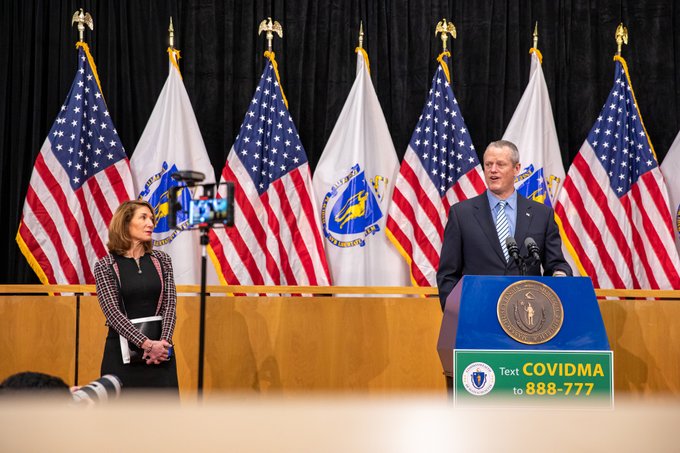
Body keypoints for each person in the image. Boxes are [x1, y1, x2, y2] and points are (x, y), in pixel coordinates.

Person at [437, 140, 572, 309]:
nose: (493, 170)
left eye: (500, 164)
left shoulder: (542, 215)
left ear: (516, 169)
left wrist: (560, 275)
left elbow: (556, 264)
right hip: (477, 313)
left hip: (527, 314)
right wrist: (455, 312)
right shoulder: (461, 214)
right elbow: (448, 274)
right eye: (488, 164)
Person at [94, 200, 178, 392]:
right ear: (125, 223)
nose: (151, 223)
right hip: (121, 357)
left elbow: (170, 305)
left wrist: (163, 344)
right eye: (143, 218)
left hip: (161, 355)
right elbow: (112, 313)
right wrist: (146, 345)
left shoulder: (162, 260)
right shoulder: (105, 265)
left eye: (152, 219)